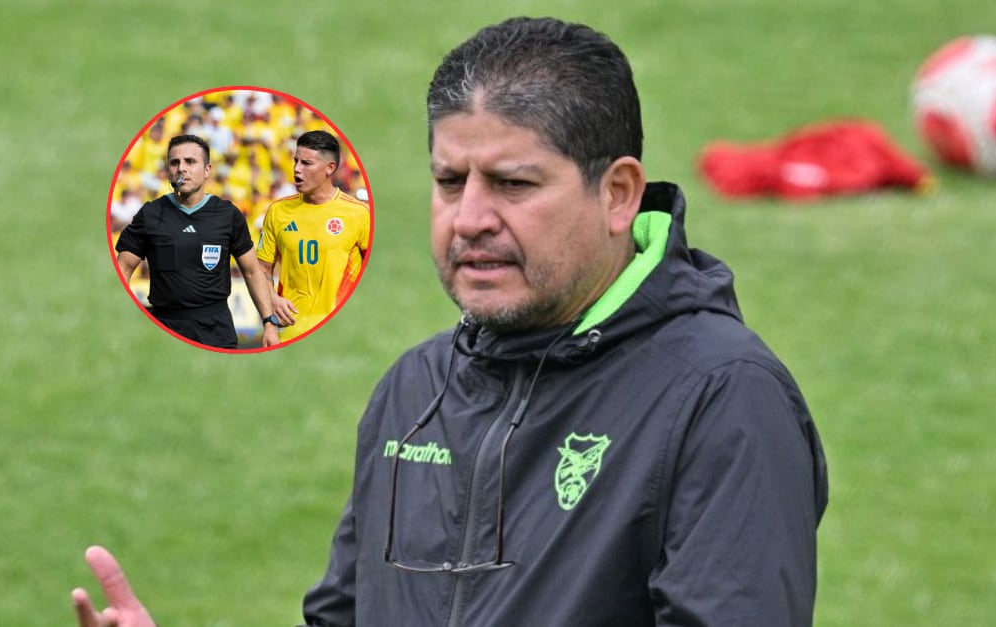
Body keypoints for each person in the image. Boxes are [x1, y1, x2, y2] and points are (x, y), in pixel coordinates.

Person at [75, 17, 828, 626]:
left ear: (618, 194)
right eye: (448, 180)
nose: (469, 219)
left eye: (512, 184)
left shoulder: (720, 397)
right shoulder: (417, 389)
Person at [114, 134, 284, 349]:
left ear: (207, 170)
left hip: (215, 330)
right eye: (174, 163)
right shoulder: (150, 214)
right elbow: (123, 268)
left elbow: (252, 271)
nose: (181, 168)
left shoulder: (227, 215)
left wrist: (269, 323)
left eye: (190, 162)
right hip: (164, 328)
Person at [255, 130, 371, 342]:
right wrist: (271, 310)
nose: (297, 169)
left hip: (338, 334)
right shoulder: (278, 211)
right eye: (296, 161)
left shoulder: (359, 214)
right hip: (289, 331)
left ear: (330, 168)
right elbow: (261, 269)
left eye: (306, 163)